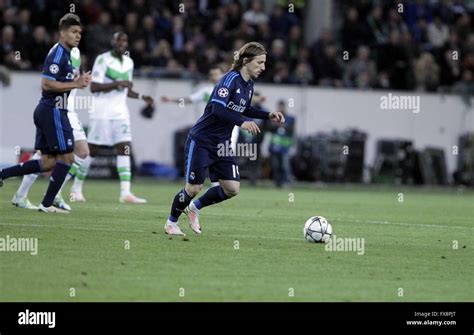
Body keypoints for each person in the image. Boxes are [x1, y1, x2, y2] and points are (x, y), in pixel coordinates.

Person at [164, 42, 285, 236]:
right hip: (202, 139)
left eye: (264, 63)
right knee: (194, 187)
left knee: (232, 188)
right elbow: (217, 109)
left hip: (222, 144)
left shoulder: (249, 84)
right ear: (246, 61)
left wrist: (268, 115)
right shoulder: (229, 80)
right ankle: (171, 222)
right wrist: (242, 122)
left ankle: (194, 208)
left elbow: (245, 108)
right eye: (260, 62)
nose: (263, 67)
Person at [0, 13, 92, 212]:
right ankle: (47, 203)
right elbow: (47, 84)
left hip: (51, 109)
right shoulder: (58, 53)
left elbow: (62, 82)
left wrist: (79, 82)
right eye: (73, 32)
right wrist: (75, 83)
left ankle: (3, 175)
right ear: (62, 34)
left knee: (48, 161)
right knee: (67, 158)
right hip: (53, 110)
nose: (78, 36)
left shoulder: (68, 54)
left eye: (79, 33)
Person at [80, 32, 154, 204]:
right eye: (118, 40)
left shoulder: (129, 62)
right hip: (101, 112)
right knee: (92, 150)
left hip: (120, 112)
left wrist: (143, 96)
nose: (121, 43)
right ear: (112, 41)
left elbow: (127, 89)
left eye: (124, 40)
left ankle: (125, 192)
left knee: (124, 148)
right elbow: (95, 87)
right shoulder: (102, 59)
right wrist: (117, 83)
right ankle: (76, 188)